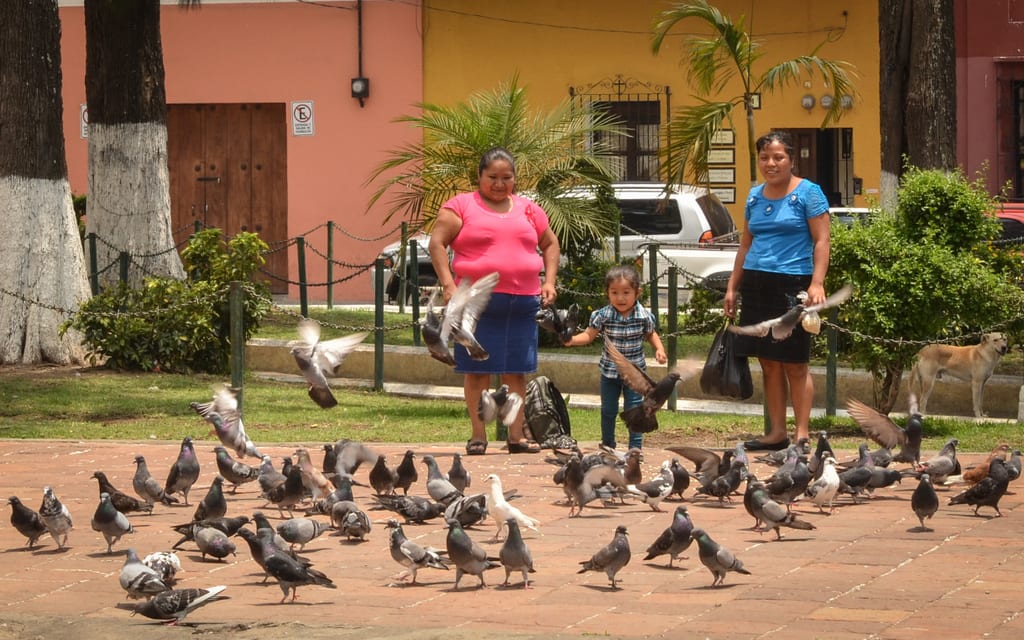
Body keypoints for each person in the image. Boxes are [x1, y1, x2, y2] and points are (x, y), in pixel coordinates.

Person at [428, 147, 560, 455]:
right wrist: (448, 285)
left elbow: (550, 243)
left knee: (516, 371)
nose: (500, 184)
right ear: (479, 176)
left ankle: (516, 437)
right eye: (492, 178)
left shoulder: (529, 208)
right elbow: (437, 243)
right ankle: (478, 436)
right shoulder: (460, 206)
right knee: (477, 371)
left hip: (523, 302)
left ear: (515, 178)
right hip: (476, 304)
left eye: (507, 178)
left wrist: (549, 280)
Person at [723, 130, 831, 451]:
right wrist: (732, 286)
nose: (771, 163)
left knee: (795, 363)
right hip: (757, 283)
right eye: (765, 157)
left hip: (793, 284)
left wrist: (817, 282)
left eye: (778, 157)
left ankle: (801, 434)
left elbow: (822, 240)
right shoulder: (754, 196)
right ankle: (776, 433)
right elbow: (746, 243)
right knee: (768, 361)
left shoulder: (809, 193)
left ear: (791, 159)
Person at [562, 264, 666, 450]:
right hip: (609, 373)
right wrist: (572, 341)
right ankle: (608, 444)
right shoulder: (603, 315)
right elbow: (589, 335)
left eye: (626, 292)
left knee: (635, 410)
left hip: (636, 378)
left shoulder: (643, 316)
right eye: (614, 292)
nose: (620, 298)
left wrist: (659, 349)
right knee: (608, 410)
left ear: (637, 292)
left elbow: (651, 334)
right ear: (607, 293)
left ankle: (635, 448)